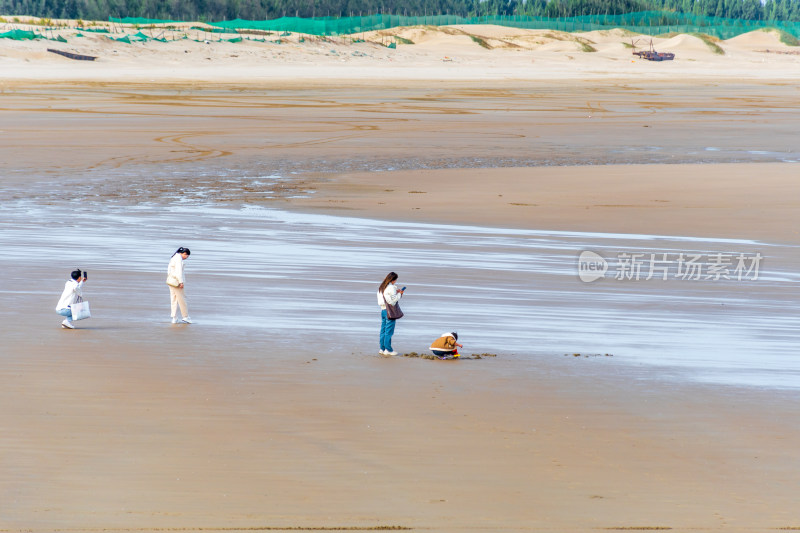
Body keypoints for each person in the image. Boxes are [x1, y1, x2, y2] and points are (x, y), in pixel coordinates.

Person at [377, 272, 404, 356]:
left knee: (383, 330)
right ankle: (388, 350)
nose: (396, 281)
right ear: (393, 280)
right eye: (396, 280)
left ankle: (382, 348)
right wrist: (400, 294)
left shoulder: (381, 287)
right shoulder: (391, 287)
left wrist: (396, 292)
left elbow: (384, 298)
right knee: (389, 331)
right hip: (390, 311)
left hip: (383, 310)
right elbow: (392, 301)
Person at [167, 247, 192, 324]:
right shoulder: (178, 259)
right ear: (183, 253)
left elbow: (169, 270)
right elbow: (179, 272)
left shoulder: (174, 257)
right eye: (186, 255)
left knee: (173, 299)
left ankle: (174, 318)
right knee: (182, 299)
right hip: (176, 282)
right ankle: (185, 317)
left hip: (171, 281)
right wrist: (181, 282)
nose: (186, 257)